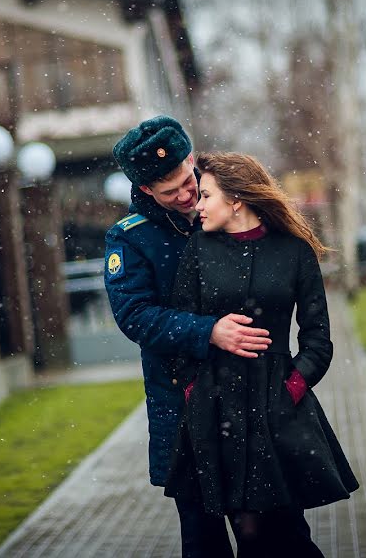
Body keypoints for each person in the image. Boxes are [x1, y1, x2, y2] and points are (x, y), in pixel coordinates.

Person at [164, 151, 360, 558]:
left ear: (236, 199)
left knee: (285, 532)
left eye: (206, 195)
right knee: (250, 531)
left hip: (277, 409)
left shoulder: (294, 251)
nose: (197, 206)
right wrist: (194, 389)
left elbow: (319, 340)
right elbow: (180, 328)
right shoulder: (199, 251)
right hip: (217, 412)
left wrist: (291, 387)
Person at [104, 117, 273, 557]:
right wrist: (208, 331)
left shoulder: (228, 207)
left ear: (191, 160)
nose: (185, 196)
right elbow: (135, 316)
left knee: (274, 532)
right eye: (168, 192)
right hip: (180, 404)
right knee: (203, 539)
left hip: (248, 394)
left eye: (186, 181)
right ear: (144, 192)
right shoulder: (129, 239)